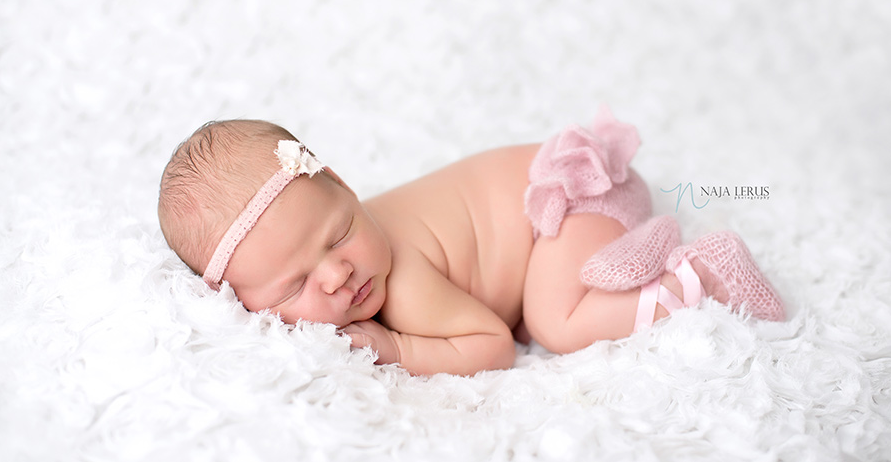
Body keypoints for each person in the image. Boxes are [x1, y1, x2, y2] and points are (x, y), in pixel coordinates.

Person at [157, 106, 784, 376]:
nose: (339, 275)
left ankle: (699, 274)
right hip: (572, 211)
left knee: (554, 322)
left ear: (343, 187)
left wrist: (398, 350)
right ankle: (628, 253)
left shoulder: (396, 283)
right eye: (295, 285)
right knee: (554, 299)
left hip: (571, 194)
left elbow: (491, 345)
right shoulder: (338, 244)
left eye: (340, 232)